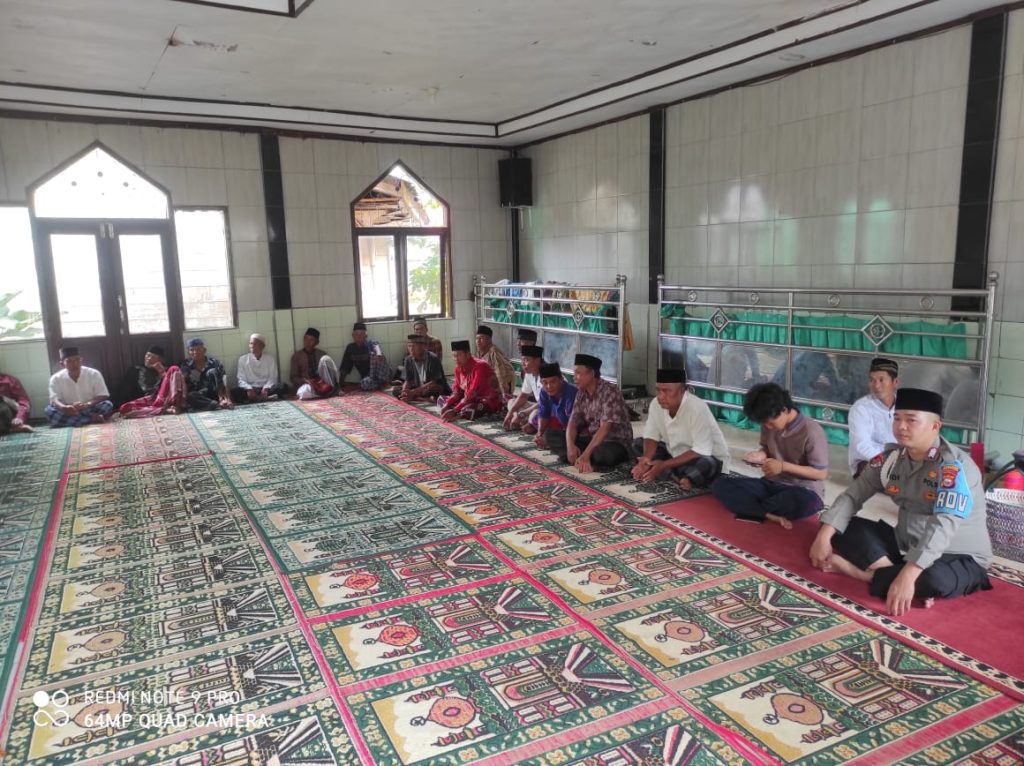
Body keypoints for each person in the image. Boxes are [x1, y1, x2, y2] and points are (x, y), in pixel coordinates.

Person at [809, 388, 992, 616]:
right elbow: (853, 495)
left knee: (935, 580)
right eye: (897, 418)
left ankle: (864, 574)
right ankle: (892, 573)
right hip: (906, 544)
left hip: (957, 554)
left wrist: (909, 574)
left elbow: (943, 525)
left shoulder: (954, 468)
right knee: (842, 526)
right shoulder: (891, 459)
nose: (901, 426)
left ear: (935, 426)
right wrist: (824, 535)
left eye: (911, 420)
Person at [711, 382, 828, 528]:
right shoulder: (768, 422)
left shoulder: (812, 431)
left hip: (802, 489)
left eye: (770, 423)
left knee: (803, 502)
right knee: (720, 484)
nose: (767, 427)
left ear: (784, 410)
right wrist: (760, 455)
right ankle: (767, 513)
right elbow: (767, 449)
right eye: (764, 423)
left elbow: (820, 473)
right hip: (771, 484)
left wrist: (783, 466)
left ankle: (754, 508)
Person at [632, 367, 730, 489]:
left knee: (708, 464)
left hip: (702, 456)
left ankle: (675, 474)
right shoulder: (656, 404)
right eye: (658, 390)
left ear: (682, 391)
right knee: (637, 443)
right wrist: (646, 459)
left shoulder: (697, 408)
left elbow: (701, 450)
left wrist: (664, 465)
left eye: (666, 391)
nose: (661, 396)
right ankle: (675, 474)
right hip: (674, 454)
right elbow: (651, 435)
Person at [556, 353, 632, 471]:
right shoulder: (581, 393)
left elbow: (604, 429)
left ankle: (583, 457)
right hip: (593, 440)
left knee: (604, 454)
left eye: (578, 373)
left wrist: (586, 455)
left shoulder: (610, 391)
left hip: (615, 442)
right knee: (552, 435)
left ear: (591, 374)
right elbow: (573, 422)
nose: (574, 377)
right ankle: (578, 455)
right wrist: (570, 446)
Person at [848, 357, 899, 477]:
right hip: (869, 461)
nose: (876, 385)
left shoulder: (905, 406)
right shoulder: (860, 408)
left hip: (900, 460)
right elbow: (862, 445)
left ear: (895, 382)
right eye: (872, 380)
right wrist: (890, 463)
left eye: (881, 380)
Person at [45, 347, 114, 427]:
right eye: (69, 361)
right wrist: (64, 408)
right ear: (62, 364)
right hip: (69, 410)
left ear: (81, 361)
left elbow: (103, 395)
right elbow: (54, 399)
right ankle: (91, 419)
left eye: (77, 360)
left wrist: (87, 404)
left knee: (107, 405)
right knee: (49, 411)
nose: (74, 364)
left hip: (90, 406)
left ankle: (78, 420)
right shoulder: (56, 378)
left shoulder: (94, 374)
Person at [438, 340, 502, 422]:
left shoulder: (480, 366)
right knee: (441, 399)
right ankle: (454, 412)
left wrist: (455, 410)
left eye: (459, 355)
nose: (456, 359)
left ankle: (458, 414)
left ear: (468, 355)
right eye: (454, 356)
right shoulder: (458, 369)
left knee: (468, 409)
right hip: (468, 399)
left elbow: (472, 393)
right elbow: (456, 391)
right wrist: (446, 405)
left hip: (486, 400)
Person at [118, 345, 186, 418]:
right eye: (147, 355)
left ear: (160, 360)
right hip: (148, 401)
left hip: (164, 399)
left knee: (174, 368)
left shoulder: (168, 371)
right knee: (124, 408)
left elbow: (171, 388)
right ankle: (164, 410)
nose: (149, 359)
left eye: (153, 357)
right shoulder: (136, 370)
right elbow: (125, 389)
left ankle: (175, 406)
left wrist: (162, 373)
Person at [232, 333, 287, 404]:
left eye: (255, 344)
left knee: (283, 386)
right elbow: (241, 379)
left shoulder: (270, 359)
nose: (252, 346)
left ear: (262, 346)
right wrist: (249, 389)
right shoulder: (242, 359)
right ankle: (264, 398)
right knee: (234, 390)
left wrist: (266, 388)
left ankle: (256, 398)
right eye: (250, 344)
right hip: (251, 389)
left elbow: (273, 378)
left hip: (266, 389)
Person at [181, 338, 233, 411]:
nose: (195, 352)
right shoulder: (186, 365)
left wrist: (228, 398)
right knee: (190, 396)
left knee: (213, 371)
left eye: (198, 349)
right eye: (192, 350)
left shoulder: (214, 362)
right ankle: (215, 404)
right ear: (189, 352)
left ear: (204, 350)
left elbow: (224, 378)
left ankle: (222, 400)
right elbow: (183, 382)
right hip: (200, 395)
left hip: (215, 392)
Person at [535, 363, 577, 450]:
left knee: (550, 436)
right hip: (562, 426)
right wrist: (540, 434)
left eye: (553, 382)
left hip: (575, 430)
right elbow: (543, 413)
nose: (549, 386)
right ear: (541, 382)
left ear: (561, 379)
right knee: (537, 423)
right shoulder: (544, 391)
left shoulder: (571, 393)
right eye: (545, 382)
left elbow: (574, 424)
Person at [339, 322, 391, 391]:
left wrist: (379, 354)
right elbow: (345, 366)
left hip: (380, 373)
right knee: (364, 384)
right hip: (369, 378)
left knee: (376, 355)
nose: (359, 336)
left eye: (361, 334)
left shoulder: (371, 343)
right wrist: (340, 383)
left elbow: (377, 347)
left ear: (366, 335)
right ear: (353, 336)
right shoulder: (350, 348)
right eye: (356, 334)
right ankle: (382, 385)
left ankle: (386, 382)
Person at [290, 327, 339, 400]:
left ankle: (327, 391)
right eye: (306, 339)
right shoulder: (297, 356)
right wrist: (305, 380)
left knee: (326, 359)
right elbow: (293, 378)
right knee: (303, 392)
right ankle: (323, 393)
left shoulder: (322, 354)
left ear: (317, 342)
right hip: (308, 385)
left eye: (311, 340)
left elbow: (330, 373)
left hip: (323, 383)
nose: (307, 342)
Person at [504, 345, 544, 432]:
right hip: (537, 406)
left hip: (549, 408)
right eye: (522, 360)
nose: (522, 364)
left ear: (537, 360)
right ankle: (520, 420)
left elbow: (545, 402)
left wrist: (522, 414)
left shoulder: (547, 374)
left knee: (534, 415)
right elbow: (523, 396)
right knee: (511, 402)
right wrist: (511, 413)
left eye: (526, 360)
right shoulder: (529, 373)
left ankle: (526, 422)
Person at [399, 334, 450, 402]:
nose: (411, 349)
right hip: (419, 388)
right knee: (396, 390)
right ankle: (422, 398)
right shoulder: (408, 359)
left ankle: (418, 398)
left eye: (414, 346)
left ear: (423, 346)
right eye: (409, 346)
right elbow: (407, 380)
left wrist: (413, 392)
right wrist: (404, 392)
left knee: (433, 389)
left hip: (430, 388)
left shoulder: (433, 359)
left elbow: (433, 382)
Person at [475, 325, 516, 397]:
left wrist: (504, 395)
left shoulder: (494, 353)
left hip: (503, 383)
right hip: (491, 382)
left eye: (481, 338)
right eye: (477, 338)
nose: (478, 341)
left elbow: (501, 374)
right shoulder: (479, 352)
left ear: (489, 340)